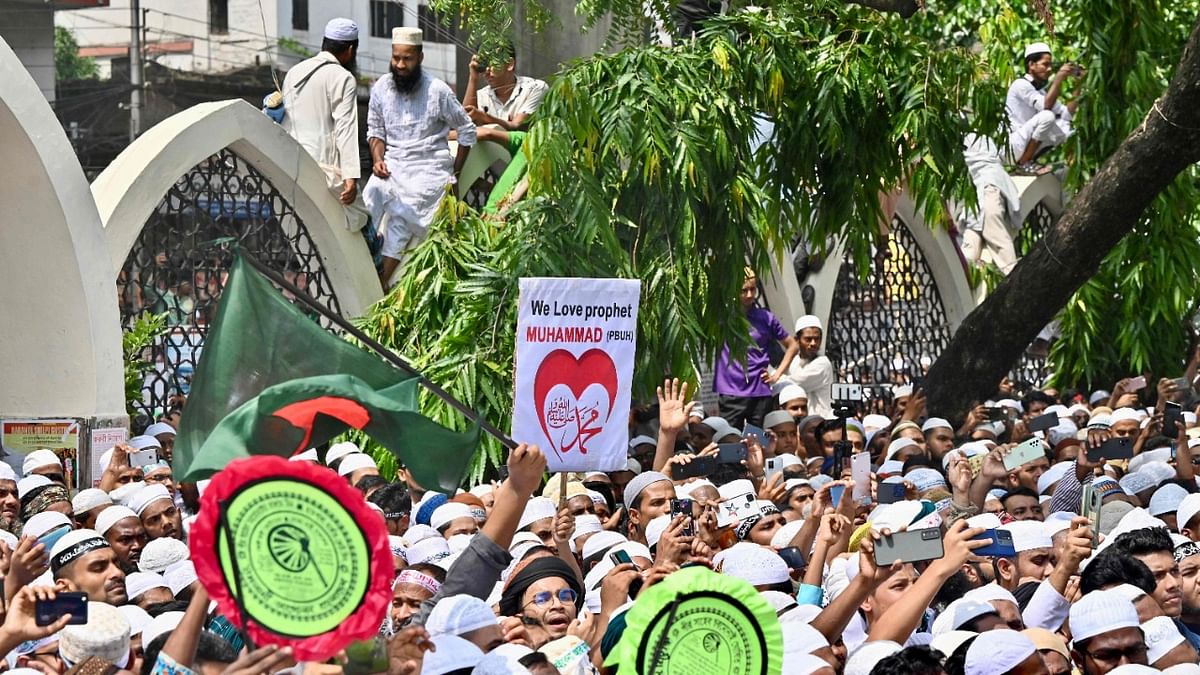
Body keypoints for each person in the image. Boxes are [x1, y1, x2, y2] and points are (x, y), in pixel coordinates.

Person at [363, 27, 476, 285]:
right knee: (369, 199)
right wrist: (378, 158)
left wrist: (454, 177)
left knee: (402, 224)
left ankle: (379, 287)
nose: (400, 65)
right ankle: (361, 264)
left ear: (420, 58)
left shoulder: (438, 90)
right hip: (392, 167)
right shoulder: (381, 87)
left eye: (407, 59)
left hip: (429, 172)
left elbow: (467, 130)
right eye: (396, 58)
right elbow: (375, 132)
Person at [280, 18, 361, 209]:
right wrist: (351, 176)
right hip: (323, 171)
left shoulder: (294, 71)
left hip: (289, 163)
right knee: (360, 217)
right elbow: (345, 128)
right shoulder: (343, 77)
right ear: (350, 50)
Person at [713, 268, 799, 428]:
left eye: (753, 289)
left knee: (759, 441)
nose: (749, 295)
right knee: (729, 441)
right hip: (731, 390)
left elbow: (792, 345)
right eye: (744, 290)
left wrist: (777, 375)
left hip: (760, 390)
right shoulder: (722, 317)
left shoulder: (765, 318)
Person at [1006, 42, 1083, 173]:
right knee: (1047, 116)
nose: (1049, 69)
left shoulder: (1040, 92)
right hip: (1013, 145)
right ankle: (1024, 163)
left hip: (1025, 144)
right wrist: (1059, 78)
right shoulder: (1020, 85)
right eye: (1045, 64)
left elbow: (1067, 115)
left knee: (1068, 127)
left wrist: (1079, 84)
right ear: (1031, 65)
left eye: (1050, 65)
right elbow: (1046, 106)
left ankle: (1028, 160)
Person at [960, 133, 1021, 273]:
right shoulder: (977, 134)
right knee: (968, 253)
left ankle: (1015, 279)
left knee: (994, 234)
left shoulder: (966, 134)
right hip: (978, 196)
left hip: (988, 186)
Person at [463, 44, 548, 132]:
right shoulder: (480, 95)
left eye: (492, 63)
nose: (487, 70)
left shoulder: (535, 88)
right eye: (484, 64)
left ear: (510, 64)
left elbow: (517, 126)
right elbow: (464, 126)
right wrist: (473, 77)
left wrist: (484, 117)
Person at [786, 315, 835, 418]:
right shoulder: (794, 361)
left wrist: (772, 375)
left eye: (817, 339)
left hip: (820, 422)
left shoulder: (822, 363)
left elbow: (792, 384)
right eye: (808, 339)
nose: (813, 343)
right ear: (797, 340)